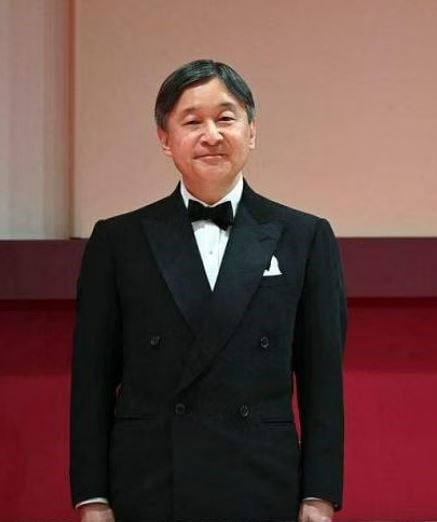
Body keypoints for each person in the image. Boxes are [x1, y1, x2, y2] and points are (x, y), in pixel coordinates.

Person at [69, 59, 346, 522]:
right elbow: (92, 380)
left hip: (262, 482)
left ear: (251, 131)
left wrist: (318, 495)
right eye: (192, 121)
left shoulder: (304, 236)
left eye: (226, 118)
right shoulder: (118, 241)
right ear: (165, 138)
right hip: (150, 483)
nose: (211, 134)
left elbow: (323, 382)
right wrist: (93, 497)